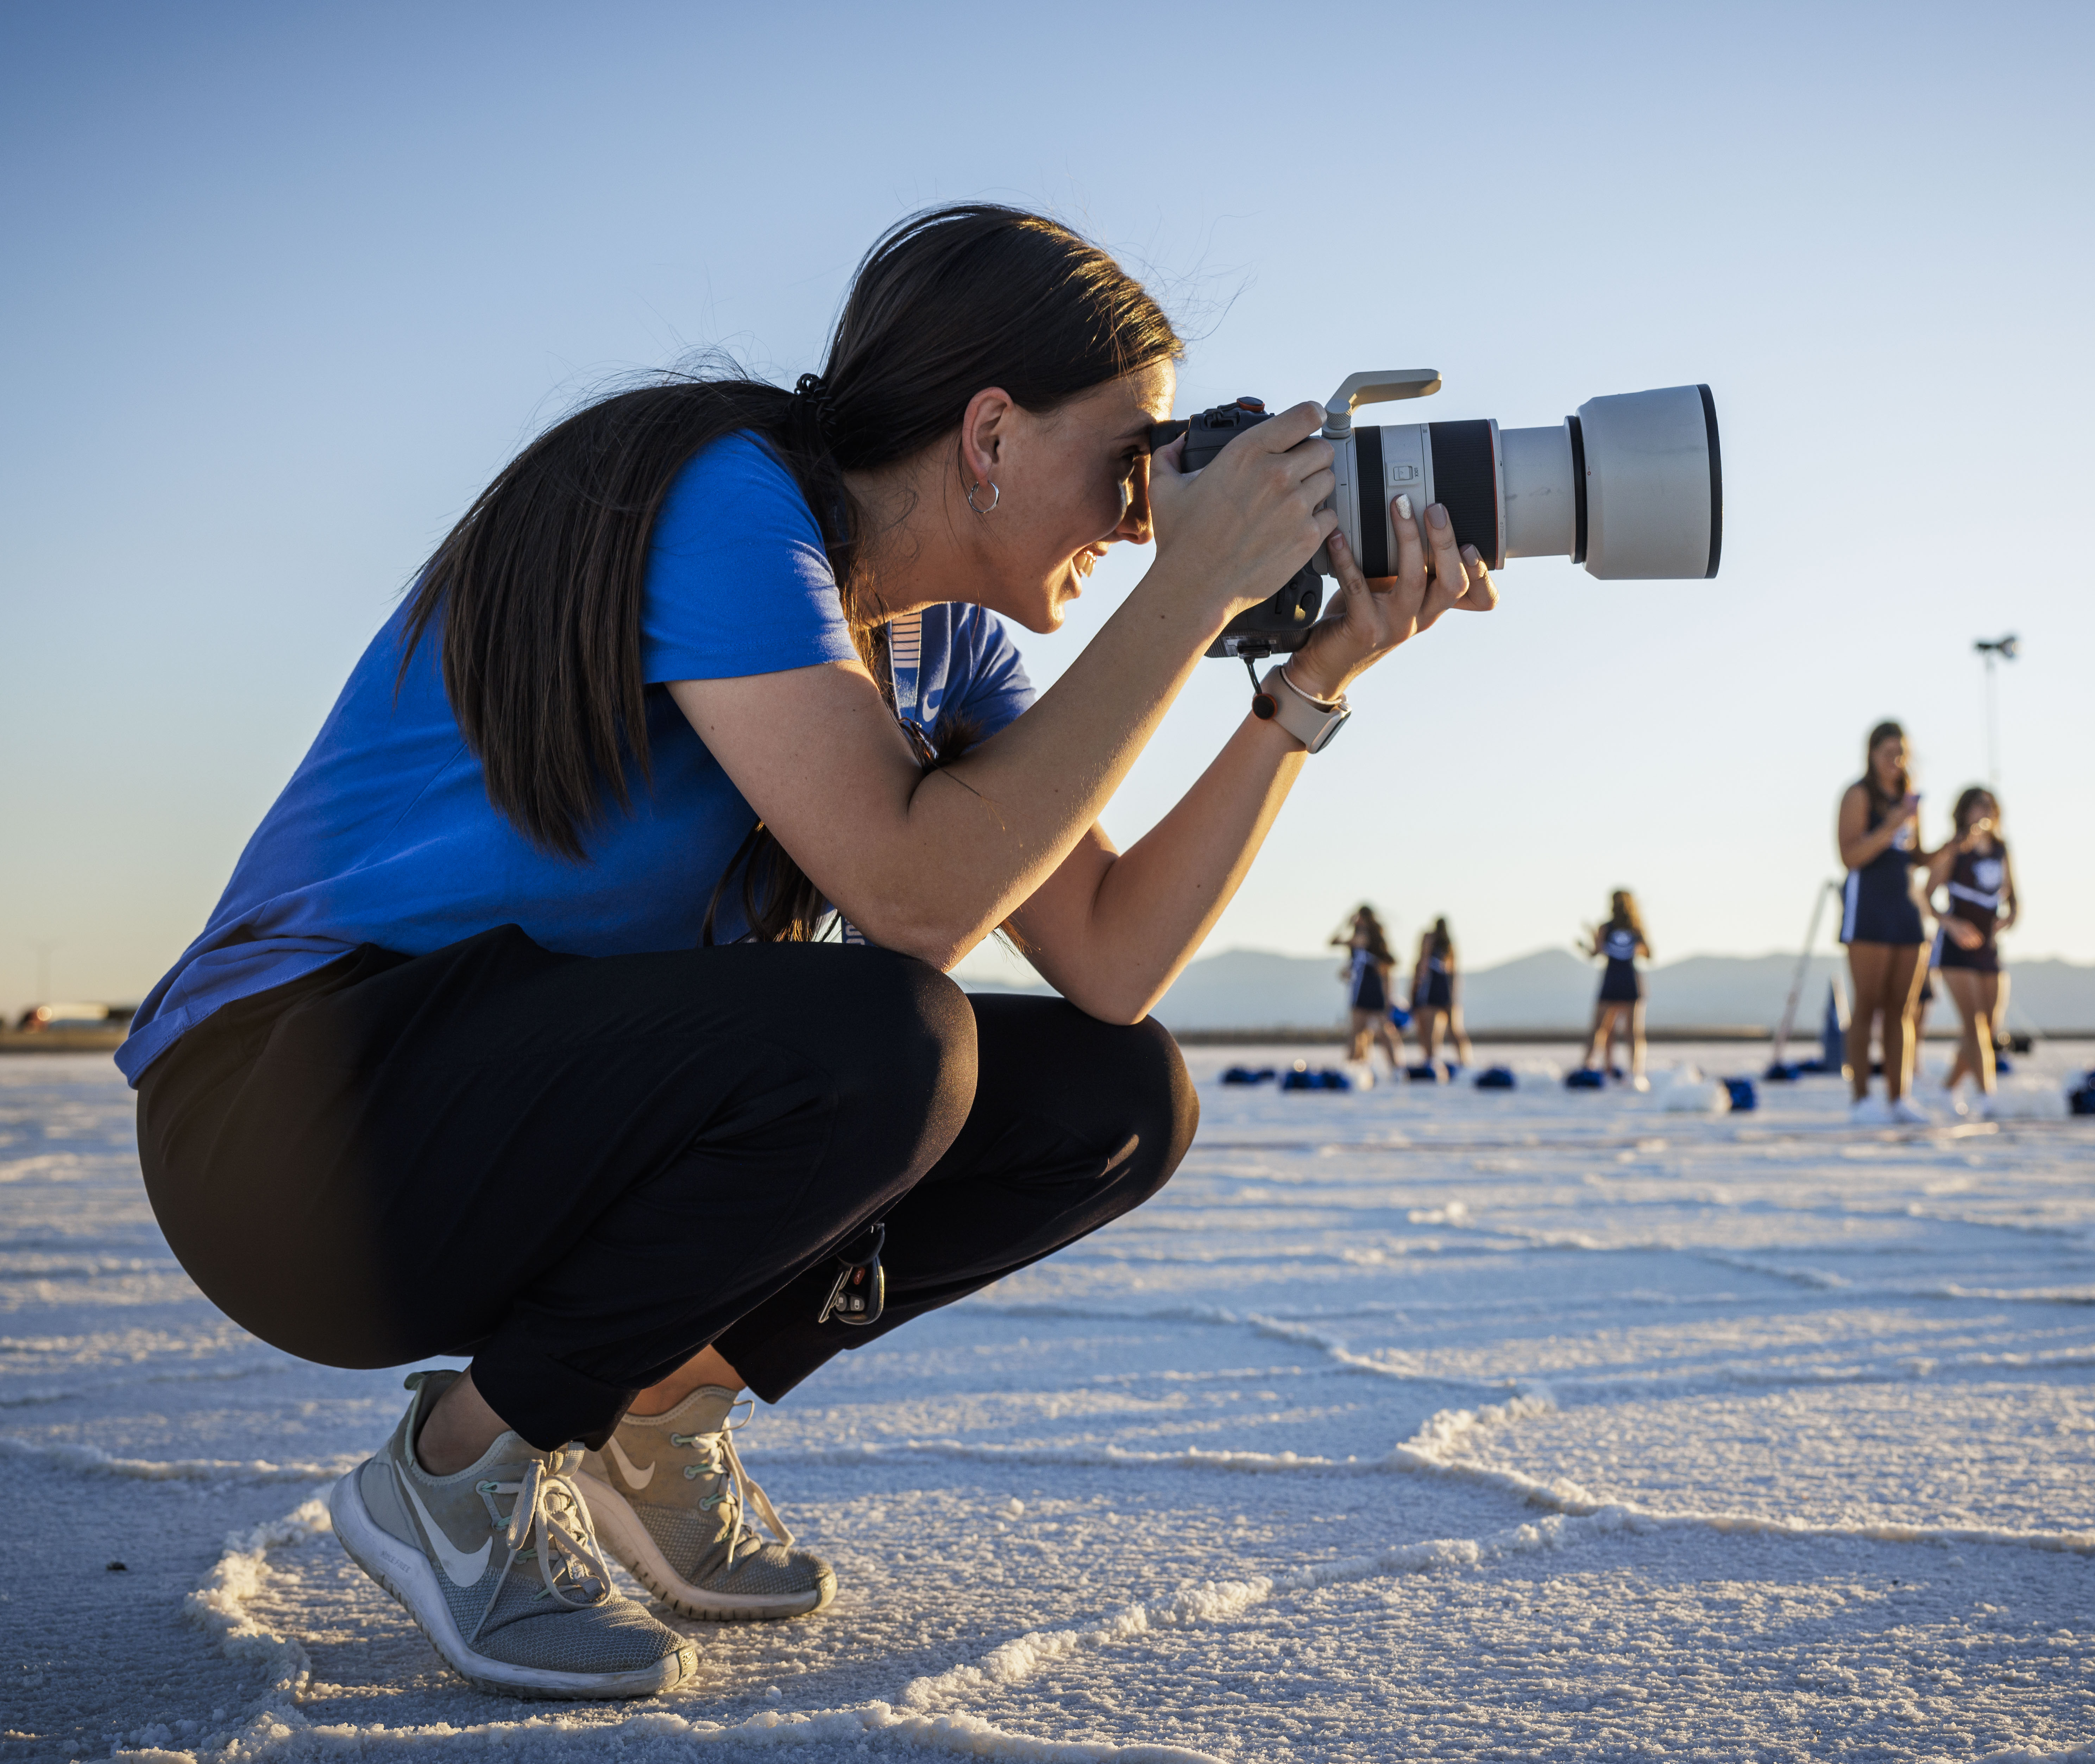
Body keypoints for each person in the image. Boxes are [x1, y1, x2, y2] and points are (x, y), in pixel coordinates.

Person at [118, 206, 1498, 1700]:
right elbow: (911, 901)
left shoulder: (947, 650)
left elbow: (1107, 957)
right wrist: (1190, 591)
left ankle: (653, 1409)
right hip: (294, 1126)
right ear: (987, 434)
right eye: (1130, 464)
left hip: (511, 1116)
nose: (1146, 515)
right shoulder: (727, 501)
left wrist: (1304, 681)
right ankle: (458, 1469)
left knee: (1113, 1093)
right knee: (888, 1037)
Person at [1837, 722, 1936, 1125]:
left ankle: (1900, 1096)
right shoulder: (1857, 794)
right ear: (1871, 753)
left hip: (1905, 906)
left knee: (1903, 1008)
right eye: (1888, 752)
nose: (1895, 761)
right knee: (1867, 1005)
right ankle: (1861, 1097)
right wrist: (1893, 823)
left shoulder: (1909, 799)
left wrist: (1951, 847)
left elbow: (1916, 857)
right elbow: (1850, 855)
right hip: (1868, 906)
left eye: (1901, 753)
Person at [1929, 787, 2016, 1118]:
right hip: (1956, 948)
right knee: (1974, 1023)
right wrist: (1950, 924)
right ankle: (1987, 1096)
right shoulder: (1955, 850)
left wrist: (2010, 917)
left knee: (1989, 1026)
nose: (1984, 813)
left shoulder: (2001, 850)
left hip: (1988, 948)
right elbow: (1926, 896)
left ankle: (1949, 1087)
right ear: (1963, 812)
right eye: (1977, 807)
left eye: (1989, 807)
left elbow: (2015, 896)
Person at [1580, 890, 1653, 1084]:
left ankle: (1595, 1066)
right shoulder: (1636, 929)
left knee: (1602, 1028)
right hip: (1627, 980)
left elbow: (1595, 953)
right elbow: (1649, 954)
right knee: (1626, 1031)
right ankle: (1630, 1071)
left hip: (1616, 980)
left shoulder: (1611, 928)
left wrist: (1588, 943)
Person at [1332, 905, 1404, 1072]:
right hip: (1360, 991)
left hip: (1373, 990)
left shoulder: (1369, 939)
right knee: (1357, 1032)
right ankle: (1354, 1067)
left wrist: (1388, 996)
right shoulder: (1359, 945)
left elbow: (1336, 942)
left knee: (1382, 1031)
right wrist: (1346, 924)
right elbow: (1334, 943)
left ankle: (1396, 1067)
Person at [1410, 916, 1473, 1073]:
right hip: (1445, 992)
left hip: (1432, 993)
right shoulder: (1448, 947)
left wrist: (1414, 992)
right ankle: (1462, 1060)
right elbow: (1454, 972)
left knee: (1431, 1031)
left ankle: (1432, 1060)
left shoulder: (1434, 947)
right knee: (1452, 1030)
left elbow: (1422, 971)